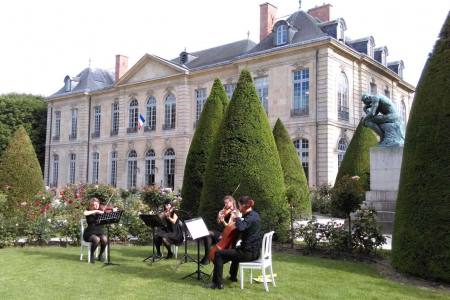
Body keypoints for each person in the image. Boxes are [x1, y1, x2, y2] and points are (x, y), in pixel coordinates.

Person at [206, 195, 262, 289]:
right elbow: (241, 228)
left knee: (219, 254)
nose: (239, 208)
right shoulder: (254, 214)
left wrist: (237, 217)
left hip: (248, 253)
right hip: (254, 251)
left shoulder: (250, 218)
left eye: (239, 206)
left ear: (244, 206)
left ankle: (217, 284)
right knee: (232, 251)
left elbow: (241, 227)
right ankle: (232, 277)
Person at [200, 195, 238, 265]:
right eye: (224, 203)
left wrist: (223, 221)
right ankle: (207, 256)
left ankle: (207, 257)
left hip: (227, 235)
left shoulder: (235, 212)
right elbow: (218, 222)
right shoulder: (223, 211)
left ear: (232, 202)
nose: (225, 205)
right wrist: (219, 217)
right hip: (220, 232)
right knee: (207, 234)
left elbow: (229, 227)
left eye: (227, 203)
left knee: (208, 233)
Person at [83, 198, 107, 263]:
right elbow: (85, 213)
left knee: (104, 239)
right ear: (91, 205)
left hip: (99, 232)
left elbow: (107, 218)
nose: (96, 206)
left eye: (97, 204)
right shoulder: (88, 211)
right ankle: (91, 255)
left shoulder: (101, 211)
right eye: (94, 205)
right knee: (96, 239)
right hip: (89, 233)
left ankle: (100, 255)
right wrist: (96, 211)